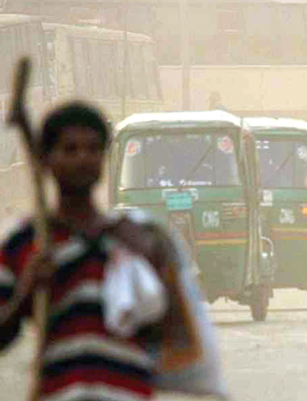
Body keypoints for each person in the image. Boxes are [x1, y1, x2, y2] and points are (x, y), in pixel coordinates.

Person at [0, 102, 187, 401]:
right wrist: (27, 291)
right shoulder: (24, 243)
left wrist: (156, 272)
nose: (83, 158)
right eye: (70, 149)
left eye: (93, 149)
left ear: (104, 157)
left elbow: (177, 338)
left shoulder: (140, 236)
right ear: (47, 160)